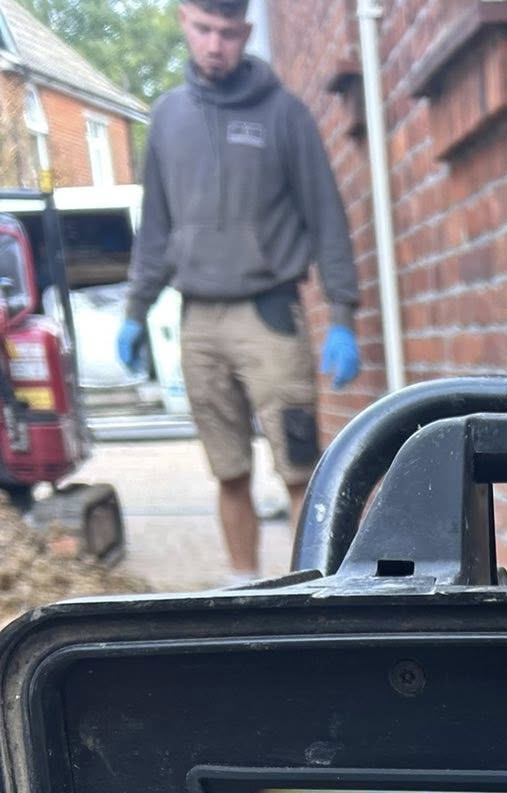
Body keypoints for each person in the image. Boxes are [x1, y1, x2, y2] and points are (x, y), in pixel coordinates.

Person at [118, 1, 361, 579]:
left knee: (300, 467)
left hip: (269, 314)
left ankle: (313, 594)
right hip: (199, 320)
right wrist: (135, 309)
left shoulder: (285, 115)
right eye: (204, 30)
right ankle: (243, 587)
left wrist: (344, 314)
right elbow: (156, 228)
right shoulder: (168, 118)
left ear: (246, 34)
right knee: (228, 470)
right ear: (184, 23)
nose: (214, 45)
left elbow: (327, 217)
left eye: (228, 34)